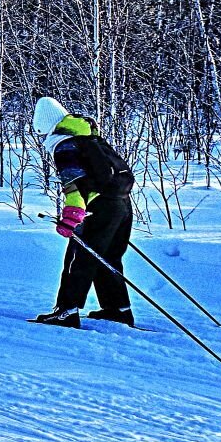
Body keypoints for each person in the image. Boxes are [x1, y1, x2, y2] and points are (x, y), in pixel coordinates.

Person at [31, 96, 136, 328]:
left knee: (79, 258)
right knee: (107, 258)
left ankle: (66, 311)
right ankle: (118, 309)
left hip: (97, 208)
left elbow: (74, 187)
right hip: (122, 203)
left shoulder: (64, 145)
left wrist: (70, 219)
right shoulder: (90, 137)